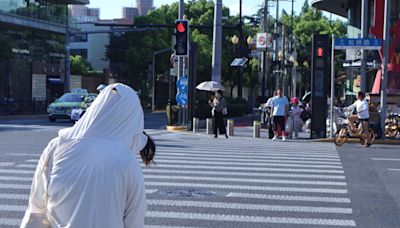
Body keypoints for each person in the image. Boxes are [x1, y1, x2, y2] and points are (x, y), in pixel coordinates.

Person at [21, 83, 155, 228]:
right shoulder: (127, 160)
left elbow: (36, 209)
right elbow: (134, 221)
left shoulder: (56, 147)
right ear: (132, 119)